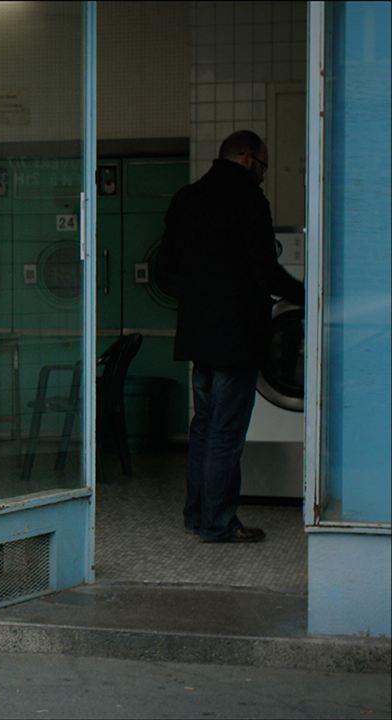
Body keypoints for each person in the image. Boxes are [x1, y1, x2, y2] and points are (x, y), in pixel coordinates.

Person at [157, 129, 305, 544]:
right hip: (237, 338)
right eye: (262, 167)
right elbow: (266, 271)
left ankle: (196, 515)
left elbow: (163, 269)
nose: (262, 176)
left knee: (204, 427)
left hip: (199, 337)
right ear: (245, 159)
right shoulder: (249, 201)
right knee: (226, 432)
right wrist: (306, 297)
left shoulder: (186, 198)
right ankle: (219, 522)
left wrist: (199, 296)